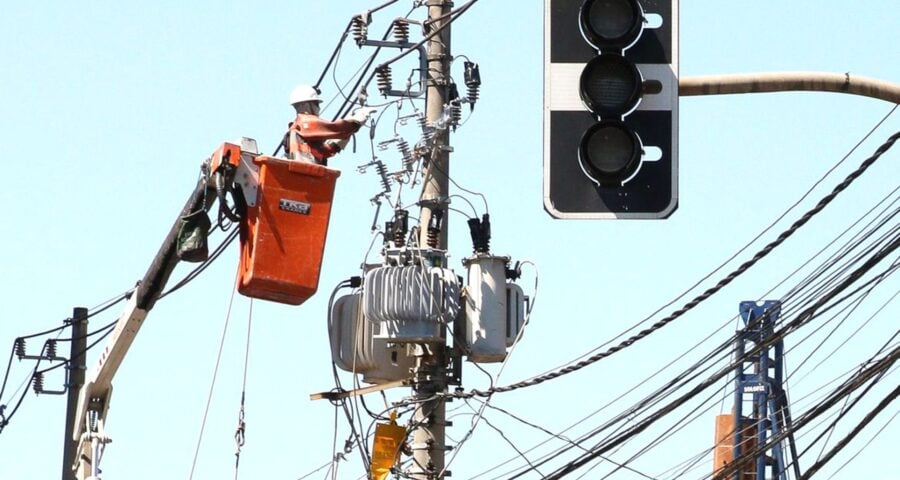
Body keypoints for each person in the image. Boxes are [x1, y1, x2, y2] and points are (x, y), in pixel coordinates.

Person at [284, 84, 375, 166]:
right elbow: (339, 129)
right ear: (306, 105)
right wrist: (360, 116)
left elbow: (326, 151)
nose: (318, 108)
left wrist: (349, 127)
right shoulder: (305, 123)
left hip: (308, 177)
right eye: (316, 104)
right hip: (307, 175)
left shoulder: (298, 129)